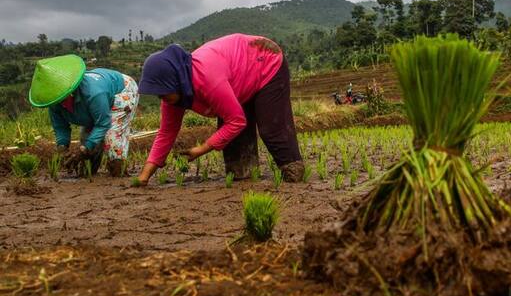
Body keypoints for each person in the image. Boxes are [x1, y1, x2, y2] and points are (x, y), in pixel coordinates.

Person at [136, 34, 304, 184]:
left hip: (265, 60)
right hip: (237, 80)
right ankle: (245, 180)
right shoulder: (172, 96)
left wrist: (201, 149)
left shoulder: (207, 78)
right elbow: (166, 132)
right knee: (233, 148)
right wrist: (144, 177)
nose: (161, 98)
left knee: (271, 129)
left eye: (163, 92)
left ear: (174, 82)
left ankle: (293, 170)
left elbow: (236, 121)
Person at [28, 54, 139, 177]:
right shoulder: (54, 102)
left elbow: (103, 123)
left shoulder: (94, 94)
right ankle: (88, 173)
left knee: (112, 134)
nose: (58, 103)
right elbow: (60, 127)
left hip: (122, 90)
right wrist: (62, 147)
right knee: (88, 139)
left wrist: (86, 148)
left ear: (69, 93)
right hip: (98, 97)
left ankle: (118, 170)